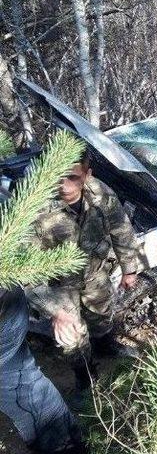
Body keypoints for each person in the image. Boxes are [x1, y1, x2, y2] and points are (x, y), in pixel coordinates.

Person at [28, 150, 139, 402]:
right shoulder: (35, 207)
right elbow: (25, 270)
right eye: (58, 176)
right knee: (71, 338)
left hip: (95, 273)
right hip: (57, 286)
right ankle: (86, 378)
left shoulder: (100, 193)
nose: (64, 185)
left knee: (102, 316)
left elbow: (121, 230)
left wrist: (129, 269)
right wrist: (54, 309)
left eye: (72, 177)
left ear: (87, 174)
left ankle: (106, 348)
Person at [1, 289, 86, 453]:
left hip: (6, 315)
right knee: (27, 392)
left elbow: (22, 267)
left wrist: (56, 309)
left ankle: (66, 445)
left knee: (28, 395)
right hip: (9, 309)